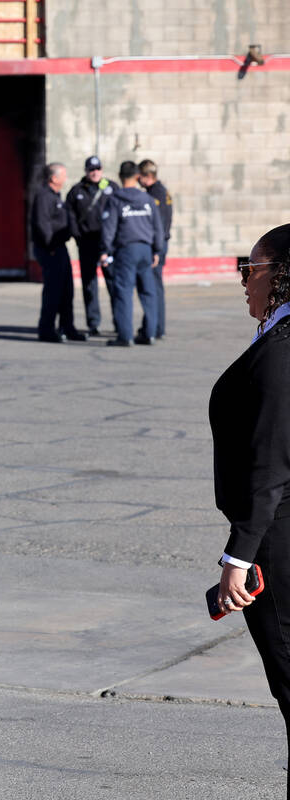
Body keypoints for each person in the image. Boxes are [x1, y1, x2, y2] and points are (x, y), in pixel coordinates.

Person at [209, 223, 290, 797]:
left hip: (280, 544)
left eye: (251, 268)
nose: (243, 281)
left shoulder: (283, 355)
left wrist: (238, 553)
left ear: (280, 275)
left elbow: (270, 466)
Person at [98, 161, 165, 347]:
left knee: (123, 292)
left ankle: (125, 336)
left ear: (120, 176)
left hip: (125, 250)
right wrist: (157, 250)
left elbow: (109, 228)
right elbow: (157, 227)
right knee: (148, 292)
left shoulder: (115, 199)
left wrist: (104, 251)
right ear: (137, 177)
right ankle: (150, 333)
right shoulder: (147, 200)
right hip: (146, 250)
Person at [30, 163, 86, 343]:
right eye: (63, 175)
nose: (65, 179)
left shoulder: (55, 195)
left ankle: (67, 327)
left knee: (66, 290)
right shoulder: (44, 196)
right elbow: (42, 223)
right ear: (54, 178)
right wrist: (50, 245)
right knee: (53, 291)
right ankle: (46, 329)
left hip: (59, 247)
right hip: (50, 249)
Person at [66, 155, 119, 336]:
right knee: (89, 284)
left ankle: (120, 322)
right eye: (91, 170)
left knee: (113, 283)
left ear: (102, 170)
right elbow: (70, 216)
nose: (94, 173)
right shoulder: (77, 191)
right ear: (86, 171)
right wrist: (77, 236)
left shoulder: (111, 187)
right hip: (86, 243)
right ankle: (93, 323)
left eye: (97, 169)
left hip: (107, 245)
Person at [138, 159, 173, 339]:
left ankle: (154, 327)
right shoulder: (162, 191)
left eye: (140, 175)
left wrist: (155, 250)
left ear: (148, 176)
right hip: (161, 244)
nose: (137, 179)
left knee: (151, 287)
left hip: (157, 245)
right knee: (155, 286)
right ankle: (155, 325)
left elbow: (157, 226)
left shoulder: (155, 195)